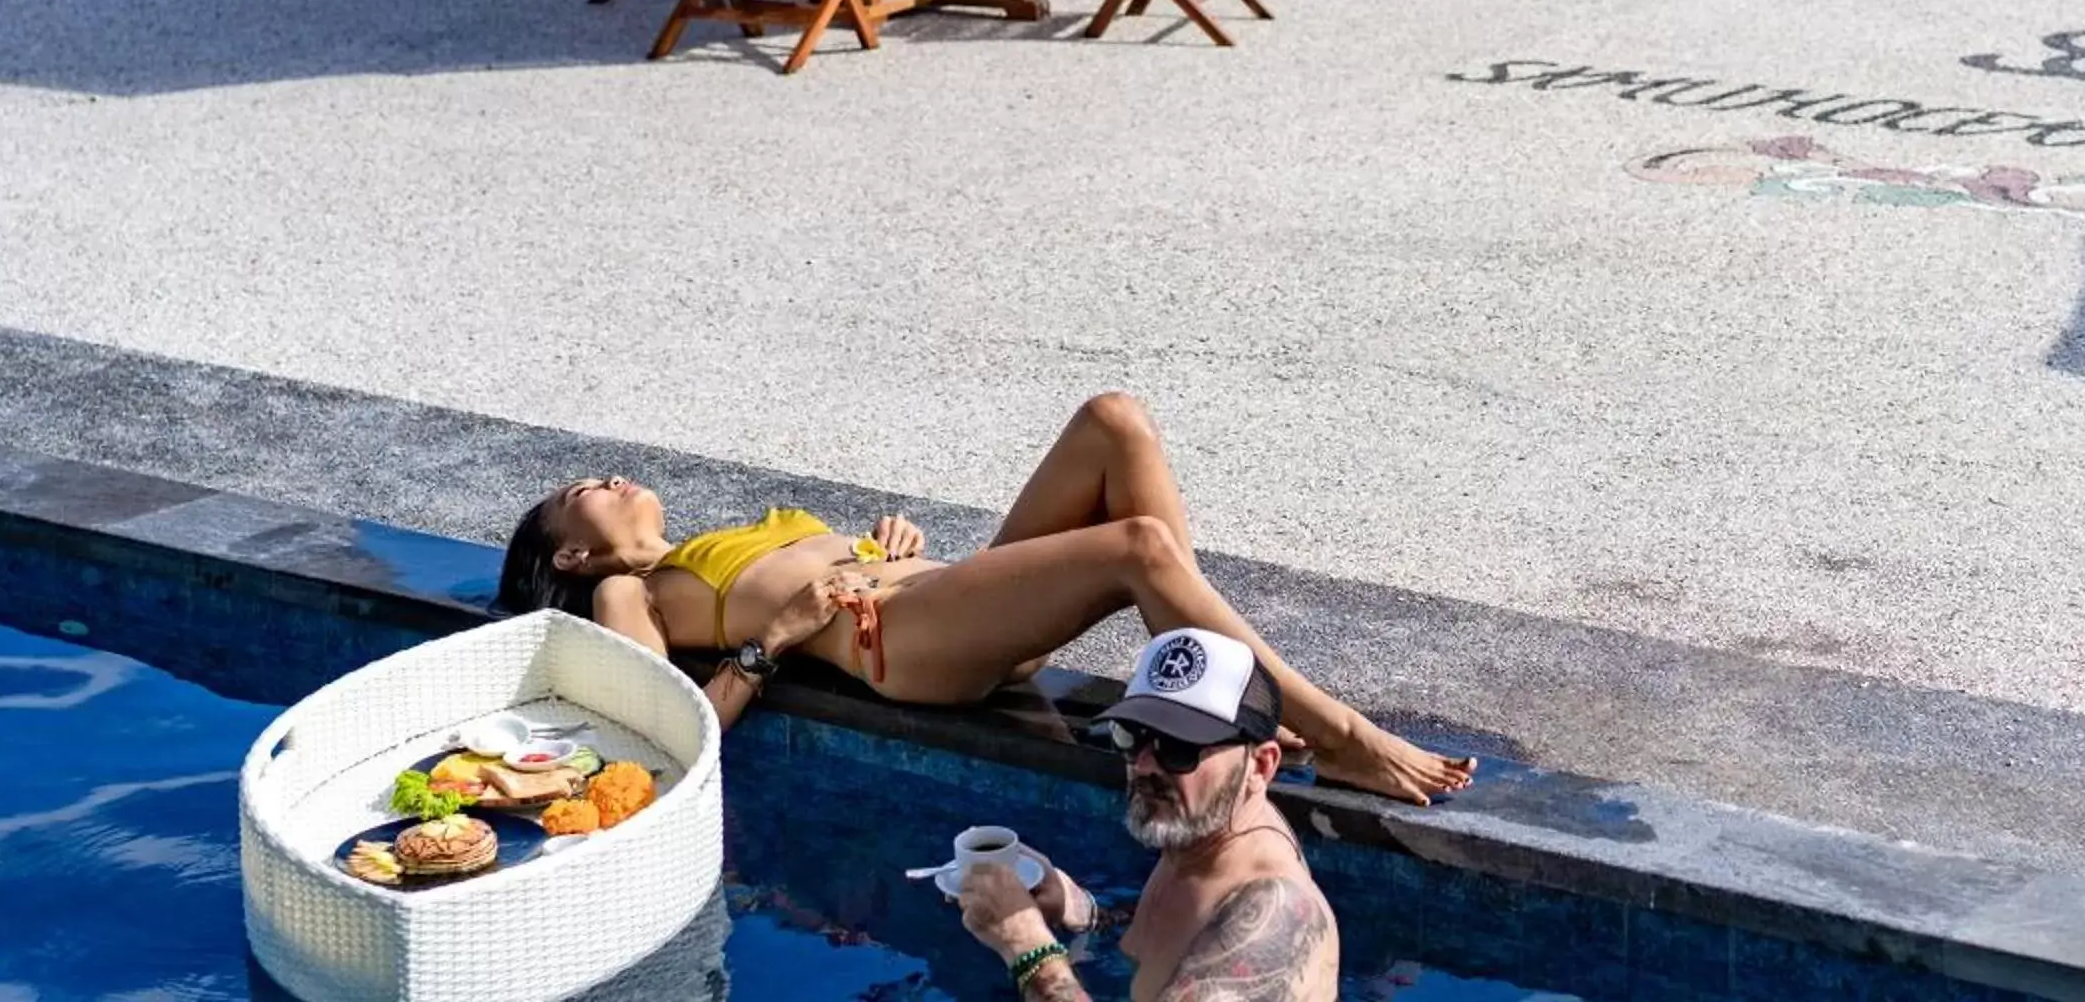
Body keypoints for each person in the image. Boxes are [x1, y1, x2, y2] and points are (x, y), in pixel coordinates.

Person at [494, 393, 1475, 804]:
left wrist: (875, 546)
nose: (612, 474)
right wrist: (772, 642)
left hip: (941, 595)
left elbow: (811, 571)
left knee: (1113, 422)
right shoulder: (631, 589)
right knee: (1138, 546)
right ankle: (1341, 735)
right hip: (906, 647)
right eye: (588, 488)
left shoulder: (707, 542)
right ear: (575, 552)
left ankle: (1229, 691)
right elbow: (673, 740)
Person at [956, 627, 1335, 1002]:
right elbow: (1187, 934)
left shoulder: (1275, 919)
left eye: (1179, 747)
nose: (1144, 764)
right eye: (1132, 735)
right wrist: (1086, 911)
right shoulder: (1205, 830)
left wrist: (1029, 948)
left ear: (1260, 766)